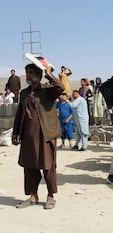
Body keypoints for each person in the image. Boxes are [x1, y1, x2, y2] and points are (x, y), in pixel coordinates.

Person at [12, 62, 64, 210]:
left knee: (48, 166)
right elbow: (19, 113)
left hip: (45, 134)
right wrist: (16, 132)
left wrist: (49, 73)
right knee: (29, 166)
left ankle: (50, 196)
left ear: (39, 75)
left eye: (31, 72)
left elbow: (60, 88)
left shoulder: (48, 91)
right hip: (28, 135)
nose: (28, 75)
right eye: (27, 72)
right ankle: (33, 196)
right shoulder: (24, 93)